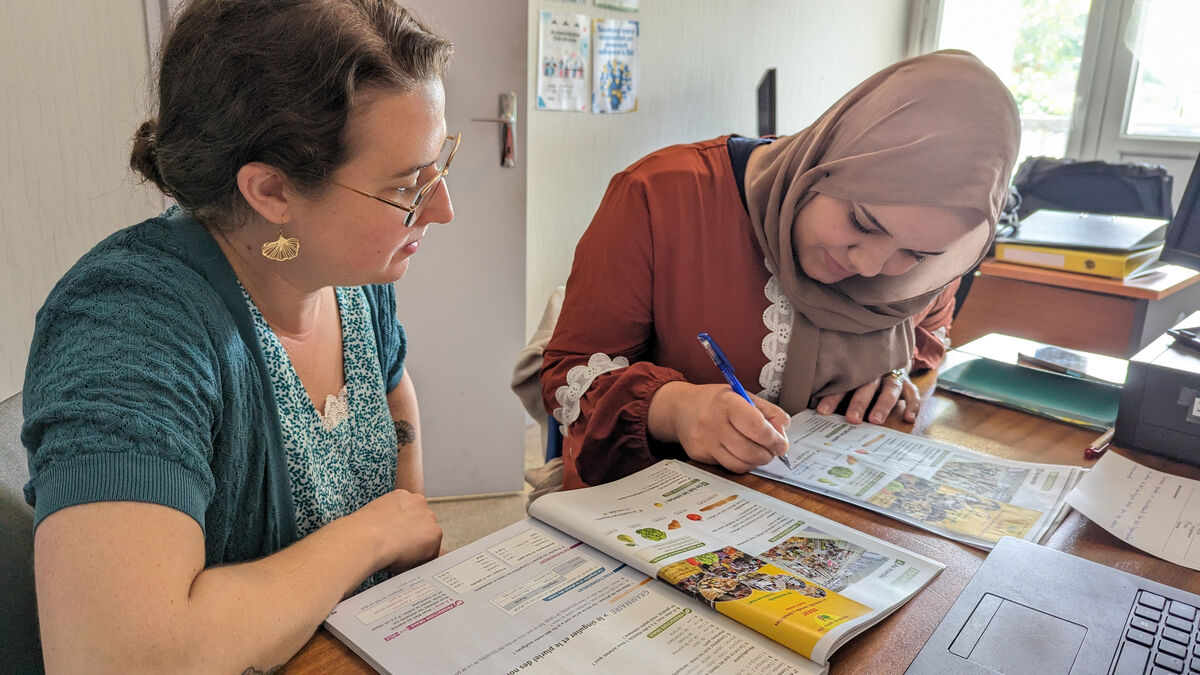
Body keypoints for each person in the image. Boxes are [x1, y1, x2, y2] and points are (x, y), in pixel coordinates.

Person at [21, 1, 456, 670]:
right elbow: (121, 657)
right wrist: (372, 534)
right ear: (272, 191)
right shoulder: (129, 324)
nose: (442, 208)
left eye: (439, 164)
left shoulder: (357, 274)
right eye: (407, 186)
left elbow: (396, 407)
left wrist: (404, 539)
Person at [541, 50, 1020, 491]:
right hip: (656, 515)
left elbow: (930, 330)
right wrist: (676, 408)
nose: (870, 266)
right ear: (828, 161)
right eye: (861, 222)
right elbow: (566, 376)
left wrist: (893, 370)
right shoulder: (661, 196)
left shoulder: (931, 257)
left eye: (913, 255)